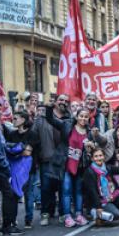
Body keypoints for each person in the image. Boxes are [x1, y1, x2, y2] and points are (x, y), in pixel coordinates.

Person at [45, 105, 107, 228]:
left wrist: (91, 147)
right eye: (81, 116)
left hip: (80, 166)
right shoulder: (67, 125)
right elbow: (51, 120)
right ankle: (67, 216)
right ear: (76, 117)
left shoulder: (89, 133)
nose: (83, 119)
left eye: (86, 117)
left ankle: (79, 215)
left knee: (78, 191)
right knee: (66, 190)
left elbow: (95, 149)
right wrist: (49, 108)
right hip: (67, 163)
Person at [31, 94, 70, 226]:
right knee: (46, 187)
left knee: (62, 187)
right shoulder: (42, 119)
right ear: (55, 102)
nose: (63, 102)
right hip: (47, 157)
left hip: (64, 159)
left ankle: (63, 213)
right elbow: (33, 137)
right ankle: (46, 213)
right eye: (61, 100)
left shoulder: (69, 119)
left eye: (65, 101)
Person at [83, 147, 119, 225]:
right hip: (101, 201)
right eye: (96, 156)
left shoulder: (107, 167)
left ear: (104, 157)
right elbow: (92, 191)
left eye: (100, 155)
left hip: (111, 197)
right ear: (92, 159)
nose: (99, 158)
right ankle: (97, 215)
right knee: (115, 215)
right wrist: (98, 207)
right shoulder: (89, 172)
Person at [0, 102, 22, 235]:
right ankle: (7, 225)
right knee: (9, 194)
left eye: (0, 109)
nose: (0, 112)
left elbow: (2, 145)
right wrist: (5, 167)